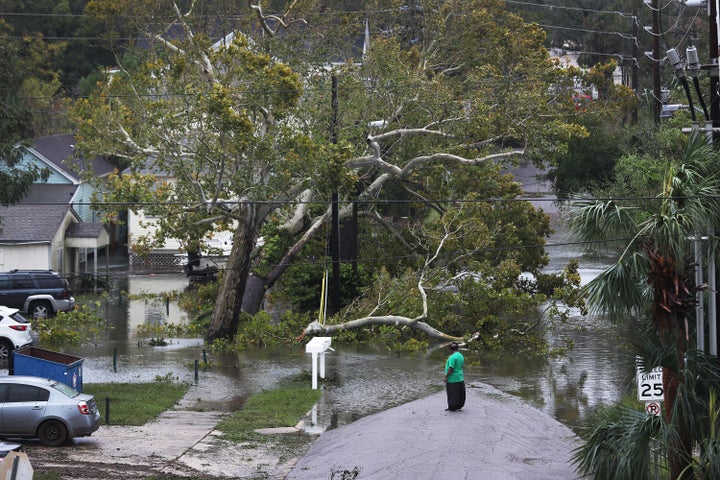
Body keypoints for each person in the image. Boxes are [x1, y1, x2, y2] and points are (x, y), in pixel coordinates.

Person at [444, 341, 465, 411]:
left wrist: (446, 376)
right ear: (457, 348)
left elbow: (451, 368)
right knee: (459, 393)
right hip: (460, 378)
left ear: (450, 349)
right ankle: (458, 406)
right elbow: (461, 366)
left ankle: (452, 407)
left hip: (452, 379)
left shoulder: (452, 357)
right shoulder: (461, 356)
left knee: (452, 393)